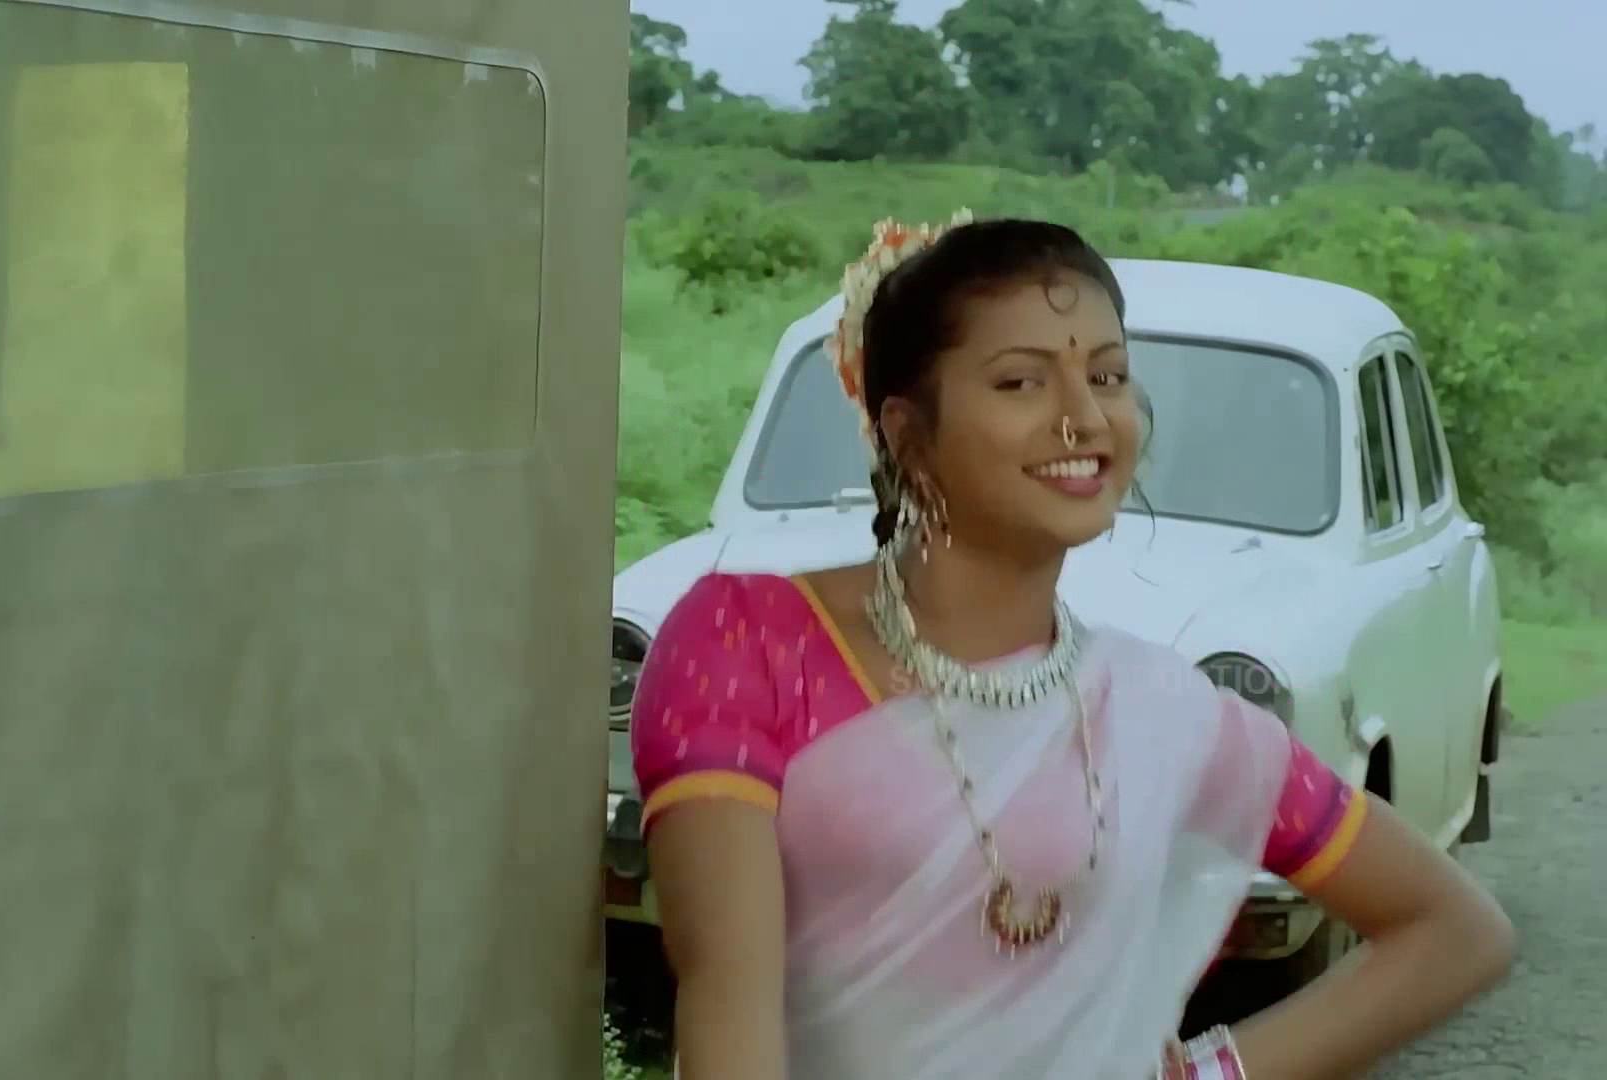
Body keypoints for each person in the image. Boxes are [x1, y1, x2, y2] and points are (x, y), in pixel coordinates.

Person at [628, 214, 1514, 1080]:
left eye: (1108, 375)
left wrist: (1212, 1073)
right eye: (1021, 382)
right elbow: (726, 1009)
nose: (1084, 418)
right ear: (907, 433)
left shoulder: (1161, 714)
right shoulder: (751, 644)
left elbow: (1455, 931)